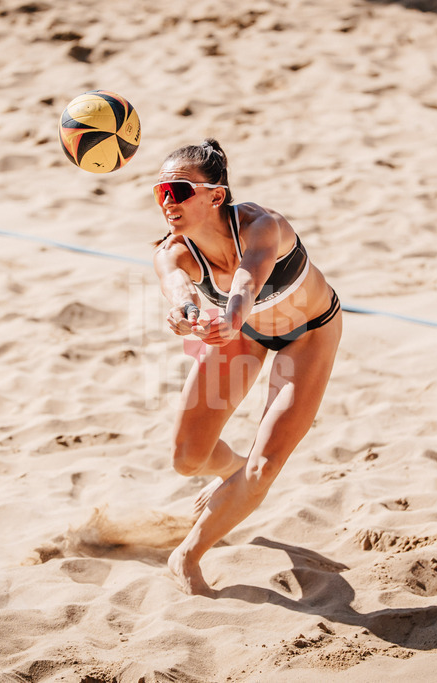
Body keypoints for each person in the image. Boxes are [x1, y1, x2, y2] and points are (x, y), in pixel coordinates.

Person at [151, 138, 343, 596]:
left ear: (215, 196)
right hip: (246, 333)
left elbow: (246, 281)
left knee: (266, 466)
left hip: (310, 331)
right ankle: (233, 472)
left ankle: (188, 556)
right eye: (159, 192)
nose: (166, 202)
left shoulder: (262, 226)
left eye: (177, 191)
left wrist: (228, 317)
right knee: (187, 458)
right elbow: (175, 285)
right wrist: (184, 312)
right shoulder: (172, 250)